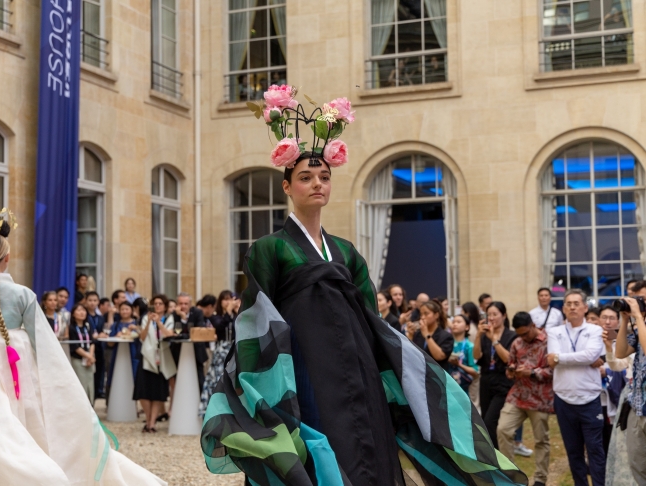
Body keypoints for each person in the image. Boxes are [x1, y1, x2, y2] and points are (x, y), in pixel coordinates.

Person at [201, 92, 525, 485]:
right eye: (305, 177)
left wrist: (395, 375)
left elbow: (371, 319)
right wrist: (262, 390)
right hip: (303, 370)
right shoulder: (269, 249)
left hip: (359, 369)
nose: (317, 183)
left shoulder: (346, 251)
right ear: (287, 186)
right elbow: (256, 322)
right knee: (320, 449)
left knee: (369, 448)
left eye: (324, 177)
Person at [0, 206, 165, 484]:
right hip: (16, 366)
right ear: (8, 258)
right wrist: (62, 386)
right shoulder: (24, 295)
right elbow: (44, 344)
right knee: (20, 423)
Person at [548, 289, 606, 486]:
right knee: (573, 452)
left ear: (585, 307)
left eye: (576, 303)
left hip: (590, 400)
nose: (572, 307)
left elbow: (590, 355)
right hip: (564, 400)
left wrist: (560, 357)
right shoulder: (554, 332)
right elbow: (551, 361)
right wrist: (582, 358)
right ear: (563, 308)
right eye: (568, 304)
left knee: (595, 450)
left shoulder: (595, 330)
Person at [497, 312, 554, 486]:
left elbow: (554, 371)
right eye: (519, 334)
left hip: (540, 398)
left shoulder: (549, 341)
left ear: (533, 325)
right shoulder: (517, 343)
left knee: (540, 440)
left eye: (525, 333)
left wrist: (531, 372)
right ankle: (511, 475)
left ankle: (540, 479)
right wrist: (512, 370)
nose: (523, 337)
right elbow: (510, 365)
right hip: (518, 396)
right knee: (503, 430)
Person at [474, 301, 517, 448]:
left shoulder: (511, 336)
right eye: (489, 314)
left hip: (503, 381)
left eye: (495, 314)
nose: (491, 318)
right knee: (485, 420)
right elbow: (476, 355)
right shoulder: (484, 335)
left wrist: (494, 340)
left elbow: (508, 359)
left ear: (504, 316)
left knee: (490, 421)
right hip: (486, 380)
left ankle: (498, 456)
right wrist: (479, 336)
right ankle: (493, 454)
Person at [615, 295, 646, 484]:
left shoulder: (642, 325)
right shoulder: (640, 327)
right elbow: (620, 352)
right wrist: (625, 319)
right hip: (638, 407)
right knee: (638, 466)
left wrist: (638, 318)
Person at [133, 295, 173, 432]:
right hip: (147, 356)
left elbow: (168, 334)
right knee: (142, 391)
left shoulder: (169, 318)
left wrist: (159, 323)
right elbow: (142, 338)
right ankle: (149, 417)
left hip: (161, 357)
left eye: (160, 303)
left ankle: (152, 423)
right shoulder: (145, 318)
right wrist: (149, 322)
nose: (157, 306)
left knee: (157, 392)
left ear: (165, 306)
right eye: (155, 303)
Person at [199, 290, 239, 416]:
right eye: (225, 299)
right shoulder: (216, 316)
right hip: (221, 350)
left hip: (235, 349)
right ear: (220, 301)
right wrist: (228, 311)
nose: (228, 302)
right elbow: (220, 326)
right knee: (217, 377)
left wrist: (237, 311)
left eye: (231, 299)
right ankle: (216, 409)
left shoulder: (237, 315)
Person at [596, 305, 627, 455]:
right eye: (604, 317)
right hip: (593, 396)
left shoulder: (623, 343)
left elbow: (623, 368)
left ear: (618, 322)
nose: (607, 322)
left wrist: (606, 371)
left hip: (615, 397)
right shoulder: (591, 341)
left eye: (612, 318)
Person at [174, 292, 208, 393]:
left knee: (199, 380)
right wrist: (182, 318)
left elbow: (198, 331)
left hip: (196, 352)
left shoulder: (198, 313)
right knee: (181, 381)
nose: (183, 306)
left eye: (186, 303)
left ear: (190, 304)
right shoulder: (174, 314)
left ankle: (201, 406)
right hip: (179, 353)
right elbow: (173, 332)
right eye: (180, 303)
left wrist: (184, 320)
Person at [408, 300, 453, 371]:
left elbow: (439, 356)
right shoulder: (418, 334)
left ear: (436, 315)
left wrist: (427, 335)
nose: (422, 317)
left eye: (426, 314)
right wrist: (410, 336)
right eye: (421, 314)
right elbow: (410, 354)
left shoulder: (446, 336)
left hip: (438, 375)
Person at [68, 303, 96, 405]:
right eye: (79, 310)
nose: (82, 313)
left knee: (90, 384)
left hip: (90, 359)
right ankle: (81, 406)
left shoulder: (88, 326)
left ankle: (91, 406)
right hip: (78, 359)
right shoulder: (71, 328)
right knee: (81, 383)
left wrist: (91, 356)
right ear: (73, 314)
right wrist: (89, 356)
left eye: (83, 310)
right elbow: (75, 347)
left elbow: (92, 342)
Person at [448, 313, 479, 394]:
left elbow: (475, 371)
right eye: (453, 322)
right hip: (446, 385)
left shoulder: (469, 346)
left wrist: (459, 364)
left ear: (467, 327)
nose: (455, 324)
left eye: (458, 322)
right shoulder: (446, 342)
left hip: (462, 388)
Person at [85, 291, 107, 399]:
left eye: (95, 300)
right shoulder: (83, 315)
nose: (92, 303)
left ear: (98, 302)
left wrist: (102, 334)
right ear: (86, 301)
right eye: (90, 300)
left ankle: (98, 391)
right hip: (87, 348)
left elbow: (100, 331)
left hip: (99, 347)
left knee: (100, 371)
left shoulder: (101, 317)